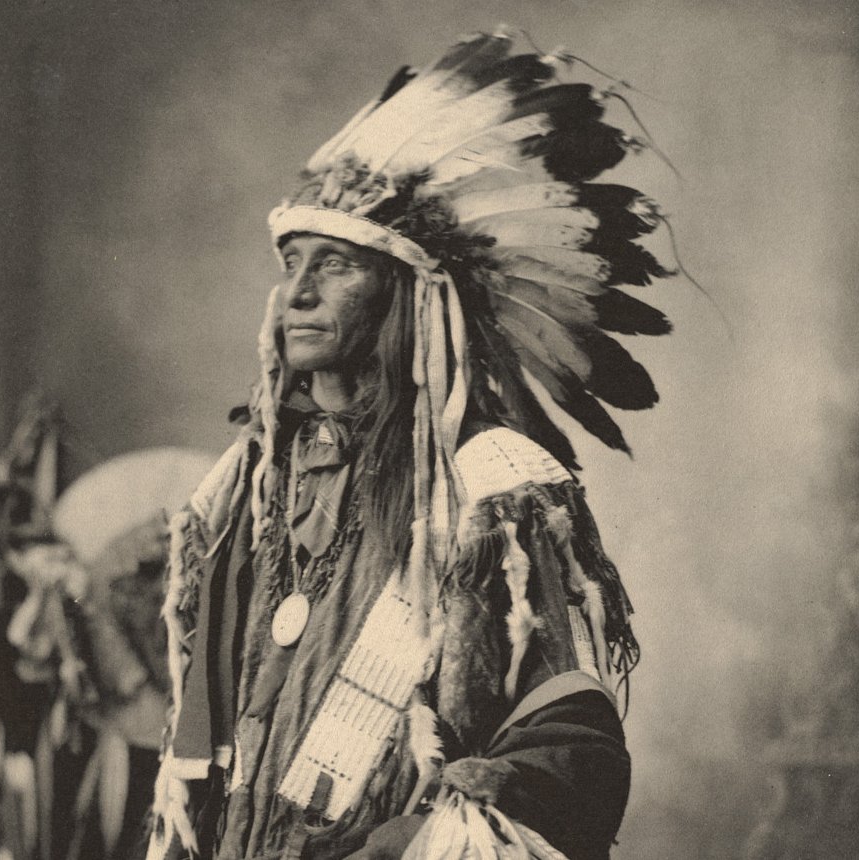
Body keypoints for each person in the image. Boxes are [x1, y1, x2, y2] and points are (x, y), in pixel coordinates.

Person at [146, 29, 674, 860]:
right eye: (291, 261)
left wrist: (411, 839)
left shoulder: (491, 489)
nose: (299, 292)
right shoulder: (247, 487)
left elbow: (567, 739)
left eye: (337, 266)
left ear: (406, 293)